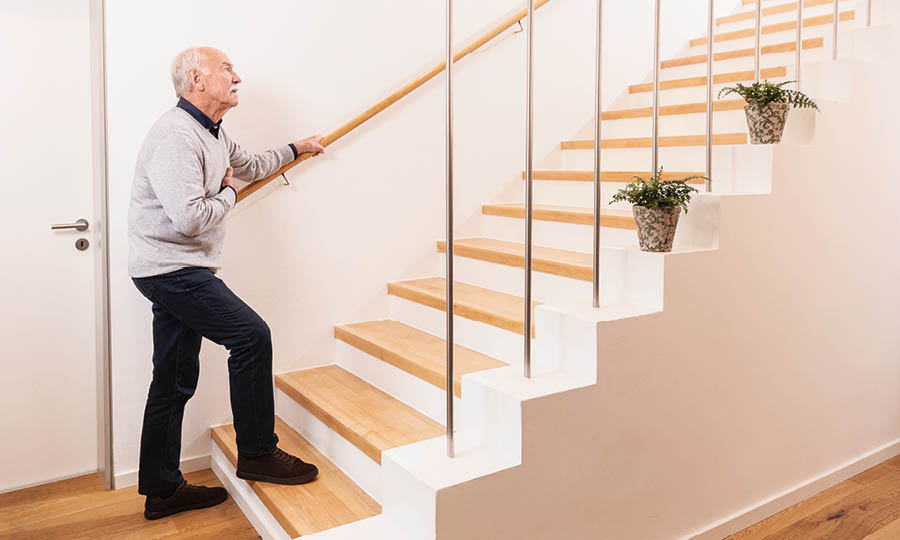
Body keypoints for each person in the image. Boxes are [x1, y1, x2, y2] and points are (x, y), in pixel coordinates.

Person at [127, 46, 325, 521]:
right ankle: (257, 452)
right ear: (196, 78)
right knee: (251, 336)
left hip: (173, 267)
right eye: (226, 69)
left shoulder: (211, 131)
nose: (237, 76)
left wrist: (297, 148)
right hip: (172, 268)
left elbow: (250, 164)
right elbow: (190, 219)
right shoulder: (177, 136)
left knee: (173, 381)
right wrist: (231, 192)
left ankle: (162, 489)